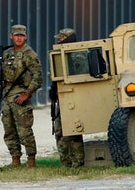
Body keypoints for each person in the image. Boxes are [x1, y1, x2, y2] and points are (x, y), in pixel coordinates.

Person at [0, 24, 43, 168]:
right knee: (9, 130)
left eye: (21, 35)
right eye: (16, 35)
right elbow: (6, 73)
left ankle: (31, 160)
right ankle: (15, 159)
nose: (19, 38)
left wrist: (27, 94)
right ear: (11, 36)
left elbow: (38, 77)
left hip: (21, 96)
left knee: (24, 131)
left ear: (26, 37)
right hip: (7, 96)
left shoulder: (30, 54)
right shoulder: (7, 53)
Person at [49, 28, 85, 168]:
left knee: (73, 132)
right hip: (62, 98)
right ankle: (66, 163)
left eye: (61, 38)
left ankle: (77, 163)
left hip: (72, 98)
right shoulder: (61, 56)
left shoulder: (78, 56)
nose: (58, 41)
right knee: (60, 131)